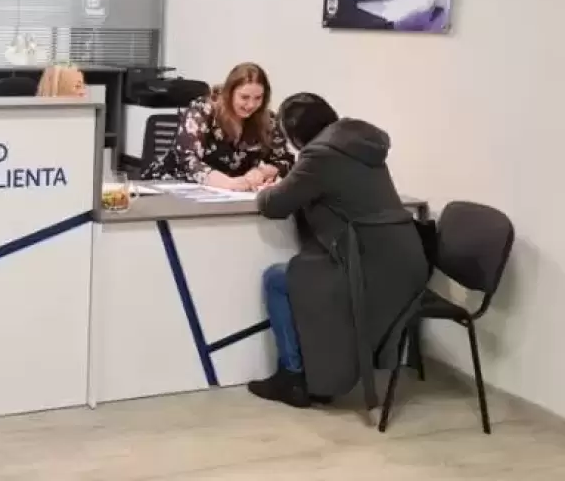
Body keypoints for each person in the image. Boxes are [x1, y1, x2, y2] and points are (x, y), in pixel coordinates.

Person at [247, 93, 429, 408]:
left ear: (296, 135)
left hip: (368, 268)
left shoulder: (320, 155)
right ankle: (320, 375)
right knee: (309, 273)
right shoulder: (360, 146)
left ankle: (293, 376)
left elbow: (275, 205)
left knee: (278, 279)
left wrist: (264, 191)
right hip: (407, 264)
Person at [141, 63, 292, 191]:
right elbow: (187, 160)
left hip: (229, 195)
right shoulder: (202, 110)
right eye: (244, 97)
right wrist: (229, 184)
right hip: (170, 187)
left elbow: (286, 161)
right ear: (229, 93)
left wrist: (263, 172)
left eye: (258, 98)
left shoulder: (267, 120)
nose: (251, 105)